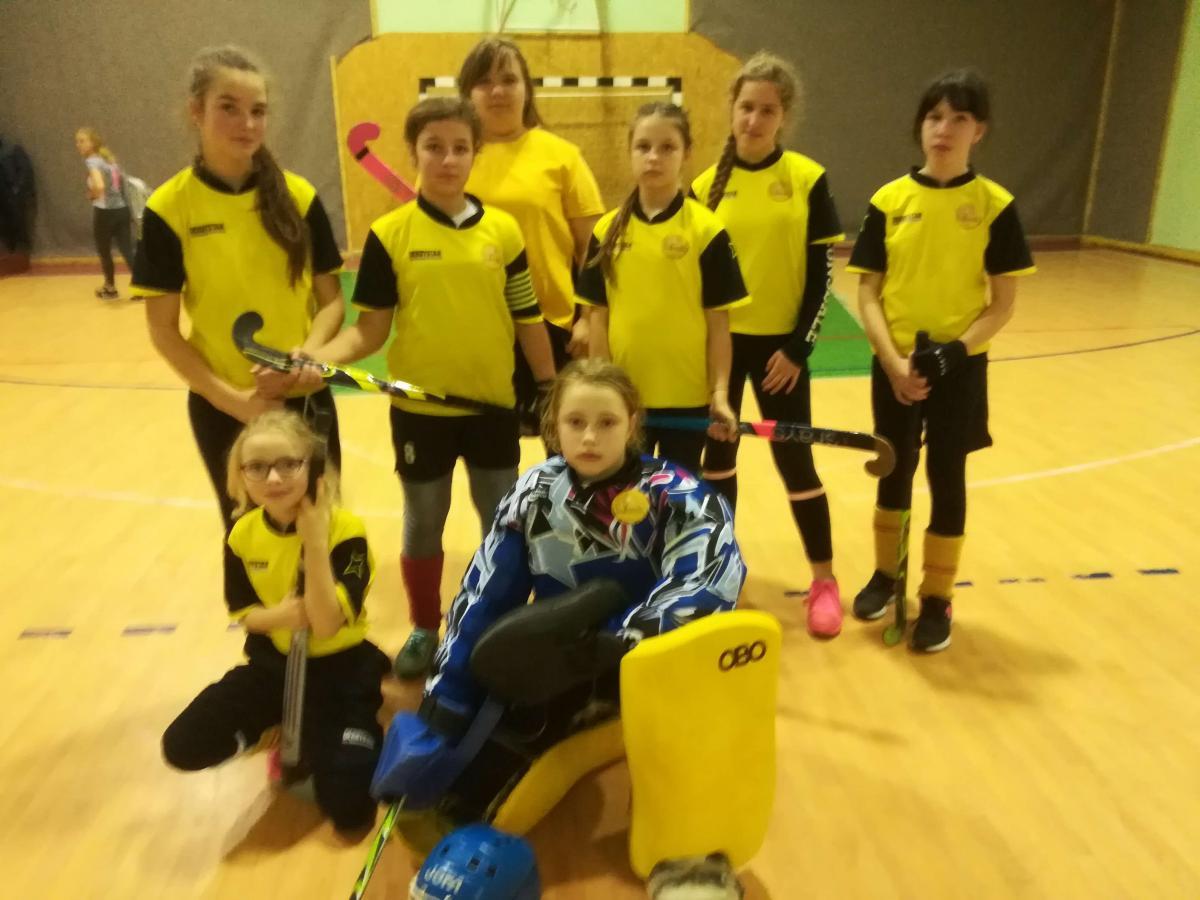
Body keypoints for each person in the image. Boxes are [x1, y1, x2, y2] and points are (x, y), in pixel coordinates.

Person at [404, 358, 745, 827]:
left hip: (646, 665)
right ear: (554, 425)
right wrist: (447, 695)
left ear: (632, 424)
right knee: (464, 789)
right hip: (559, 660)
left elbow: (707, 582)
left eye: (607, 423)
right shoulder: (534, 492)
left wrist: (615, 641)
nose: (589, 437)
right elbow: (485, 593)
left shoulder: (679, 495)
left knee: (681, 781)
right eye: (576, 422)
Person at [308, 97, 557, 679]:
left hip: (492, 408)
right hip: (419, 413)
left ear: (475, 153)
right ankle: (424, 626)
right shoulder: (389, 234)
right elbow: (368, 329)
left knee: (500, 521)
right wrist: (316, 358)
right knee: (424, 521)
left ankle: (497, 620)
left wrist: (550, 386)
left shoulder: (503, 230)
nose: (448, 159)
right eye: (434, 147)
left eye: (460, 148)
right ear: (413, 153)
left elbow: (527, 319)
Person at [846, 69, 1035, 651]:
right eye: (934, 117)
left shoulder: (995, 206)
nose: (944, 129)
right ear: (920, 126)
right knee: (893, 469)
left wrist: (955, 353)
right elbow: (868, 292)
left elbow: (1002, 304)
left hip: (959, 368)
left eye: (959, 118)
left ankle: (937, 597)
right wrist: (892, 362)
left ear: (980, 131)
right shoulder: (888, 201)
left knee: (946, 476)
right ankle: (887, 574)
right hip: (896, 365)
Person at [132, 46, 346, 529]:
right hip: (223, 405)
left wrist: (308, 356)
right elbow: (163, 330)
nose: (246, 123)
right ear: (196, 111)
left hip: (304, 396)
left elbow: (332, 302)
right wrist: (235, 401)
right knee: (248, 535)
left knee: (320, 527)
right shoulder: (169, 209)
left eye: (258, 111)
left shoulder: (299, 197)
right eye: (228, 107)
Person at [161, 410, 388, 835]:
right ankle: (274, 729)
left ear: (313, 468)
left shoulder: (345, 531)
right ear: (241, 477)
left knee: (350, 810)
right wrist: (280, 616)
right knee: (182, 746)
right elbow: (245, 612)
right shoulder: (242, 535)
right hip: (275, 666)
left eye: (289, 464)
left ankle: (355, 724)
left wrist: (314, 541)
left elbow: (325, 624)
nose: (274, 478)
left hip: (341, 671)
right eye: (257, 467)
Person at [693, 53, 846, 638]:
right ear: (731, 110)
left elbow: (822, 276)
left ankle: (824, 582)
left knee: (795, 459)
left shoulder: (807, 179)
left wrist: (799, 349)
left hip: (783, 352)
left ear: (784, 117)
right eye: (746, 107)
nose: (754, 120)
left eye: (767, 110)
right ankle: (718, 573)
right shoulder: (705, 188)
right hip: (722, 349)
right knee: (718, 461)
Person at [578, 103, 746, 473]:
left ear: (687, 154)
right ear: (630, 152)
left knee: (673, 500)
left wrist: (719, 394)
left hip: (687, 402)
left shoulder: (707, 231)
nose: (653, 157)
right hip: (624, 401)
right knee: (621, 497)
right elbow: (598, 320)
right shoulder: (606, 231)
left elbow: (719, 326)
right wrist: (603, 388)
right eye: (643, 147)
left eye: (667, 147)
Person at [458, 37, 605, 420]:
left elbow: (592, 247)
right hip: (475, 331)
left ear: (527, 88)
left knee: (565, 444)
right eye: (484, 82)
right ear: (467, 93)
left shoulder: (562, 157)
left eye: (509, 79)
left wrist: (588, 319)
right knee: (492, 449)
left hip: (554, 327)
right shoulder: (452, 160)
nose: (497, 91)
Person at [74, 127, 134, 300]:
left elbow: (100, 186)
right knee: (127, 249)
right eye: (77, 141)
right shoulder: (109, 160)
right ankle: (145, 287)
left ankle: (110, 288)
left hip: (105, 212)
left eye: (82, 141)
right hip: (122, 209)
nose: (78, 145)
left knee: (104, 250)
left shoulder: (93, 162)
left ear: (93, 143)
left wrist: (92, 195)